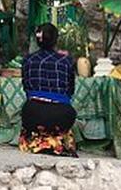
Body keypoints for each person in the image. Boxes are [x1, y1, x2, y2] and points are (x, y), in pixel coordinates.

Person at [19, 23, 78, 156]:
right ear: (55, 40)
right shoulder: (66, 61)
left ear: (37, 40)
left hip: (33, 114)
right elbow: (70, 90)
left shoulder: (28, 60)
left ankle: (35, 141)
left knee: (29, 109)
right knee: (65, 112)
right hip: (62, 116)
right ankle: (60, 141)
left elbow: (26, 87)